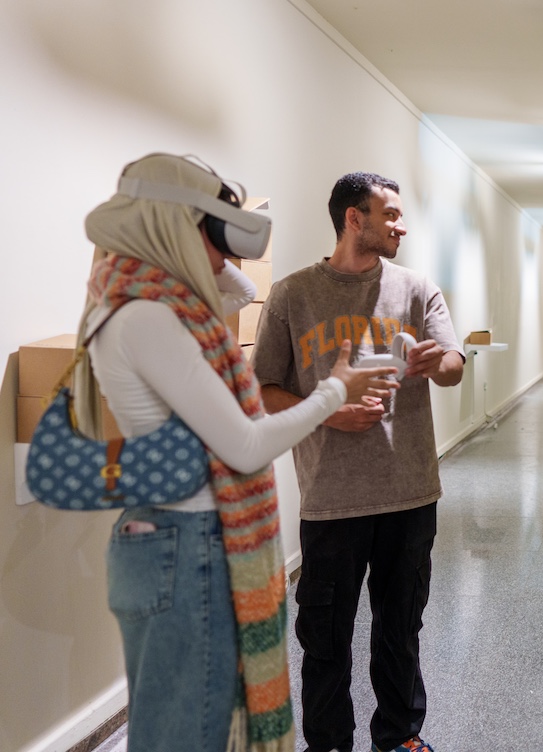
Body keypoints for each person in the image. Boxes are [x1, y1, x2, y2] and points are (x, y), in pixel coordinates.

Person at [79, 153, 397, 752]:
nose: (227, 257)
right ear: (172, 228)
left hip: (182, 538)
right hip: (185, 542)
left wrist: (207, 244)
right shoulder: (146, 316)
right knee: (187, 730)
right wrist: (334, 391)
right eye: (214, 234)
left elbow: (239, 288)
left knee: (200, 720)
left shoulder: (147, 300)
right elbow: (247, 445)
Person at [251, 172, 464, 752]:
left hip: (409, 494)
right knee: (325, 639)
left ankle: (399, 737)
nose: (400, 225)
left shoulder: (417, 289)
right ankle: (328, 745)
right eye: (389, 214)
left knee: (401, 630)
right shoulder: (294, 295)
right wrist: (327, 413)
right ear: (353, 218)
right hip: (330, 499)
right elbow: (264, 387)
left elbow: (454, 366)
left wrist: (435, 362)